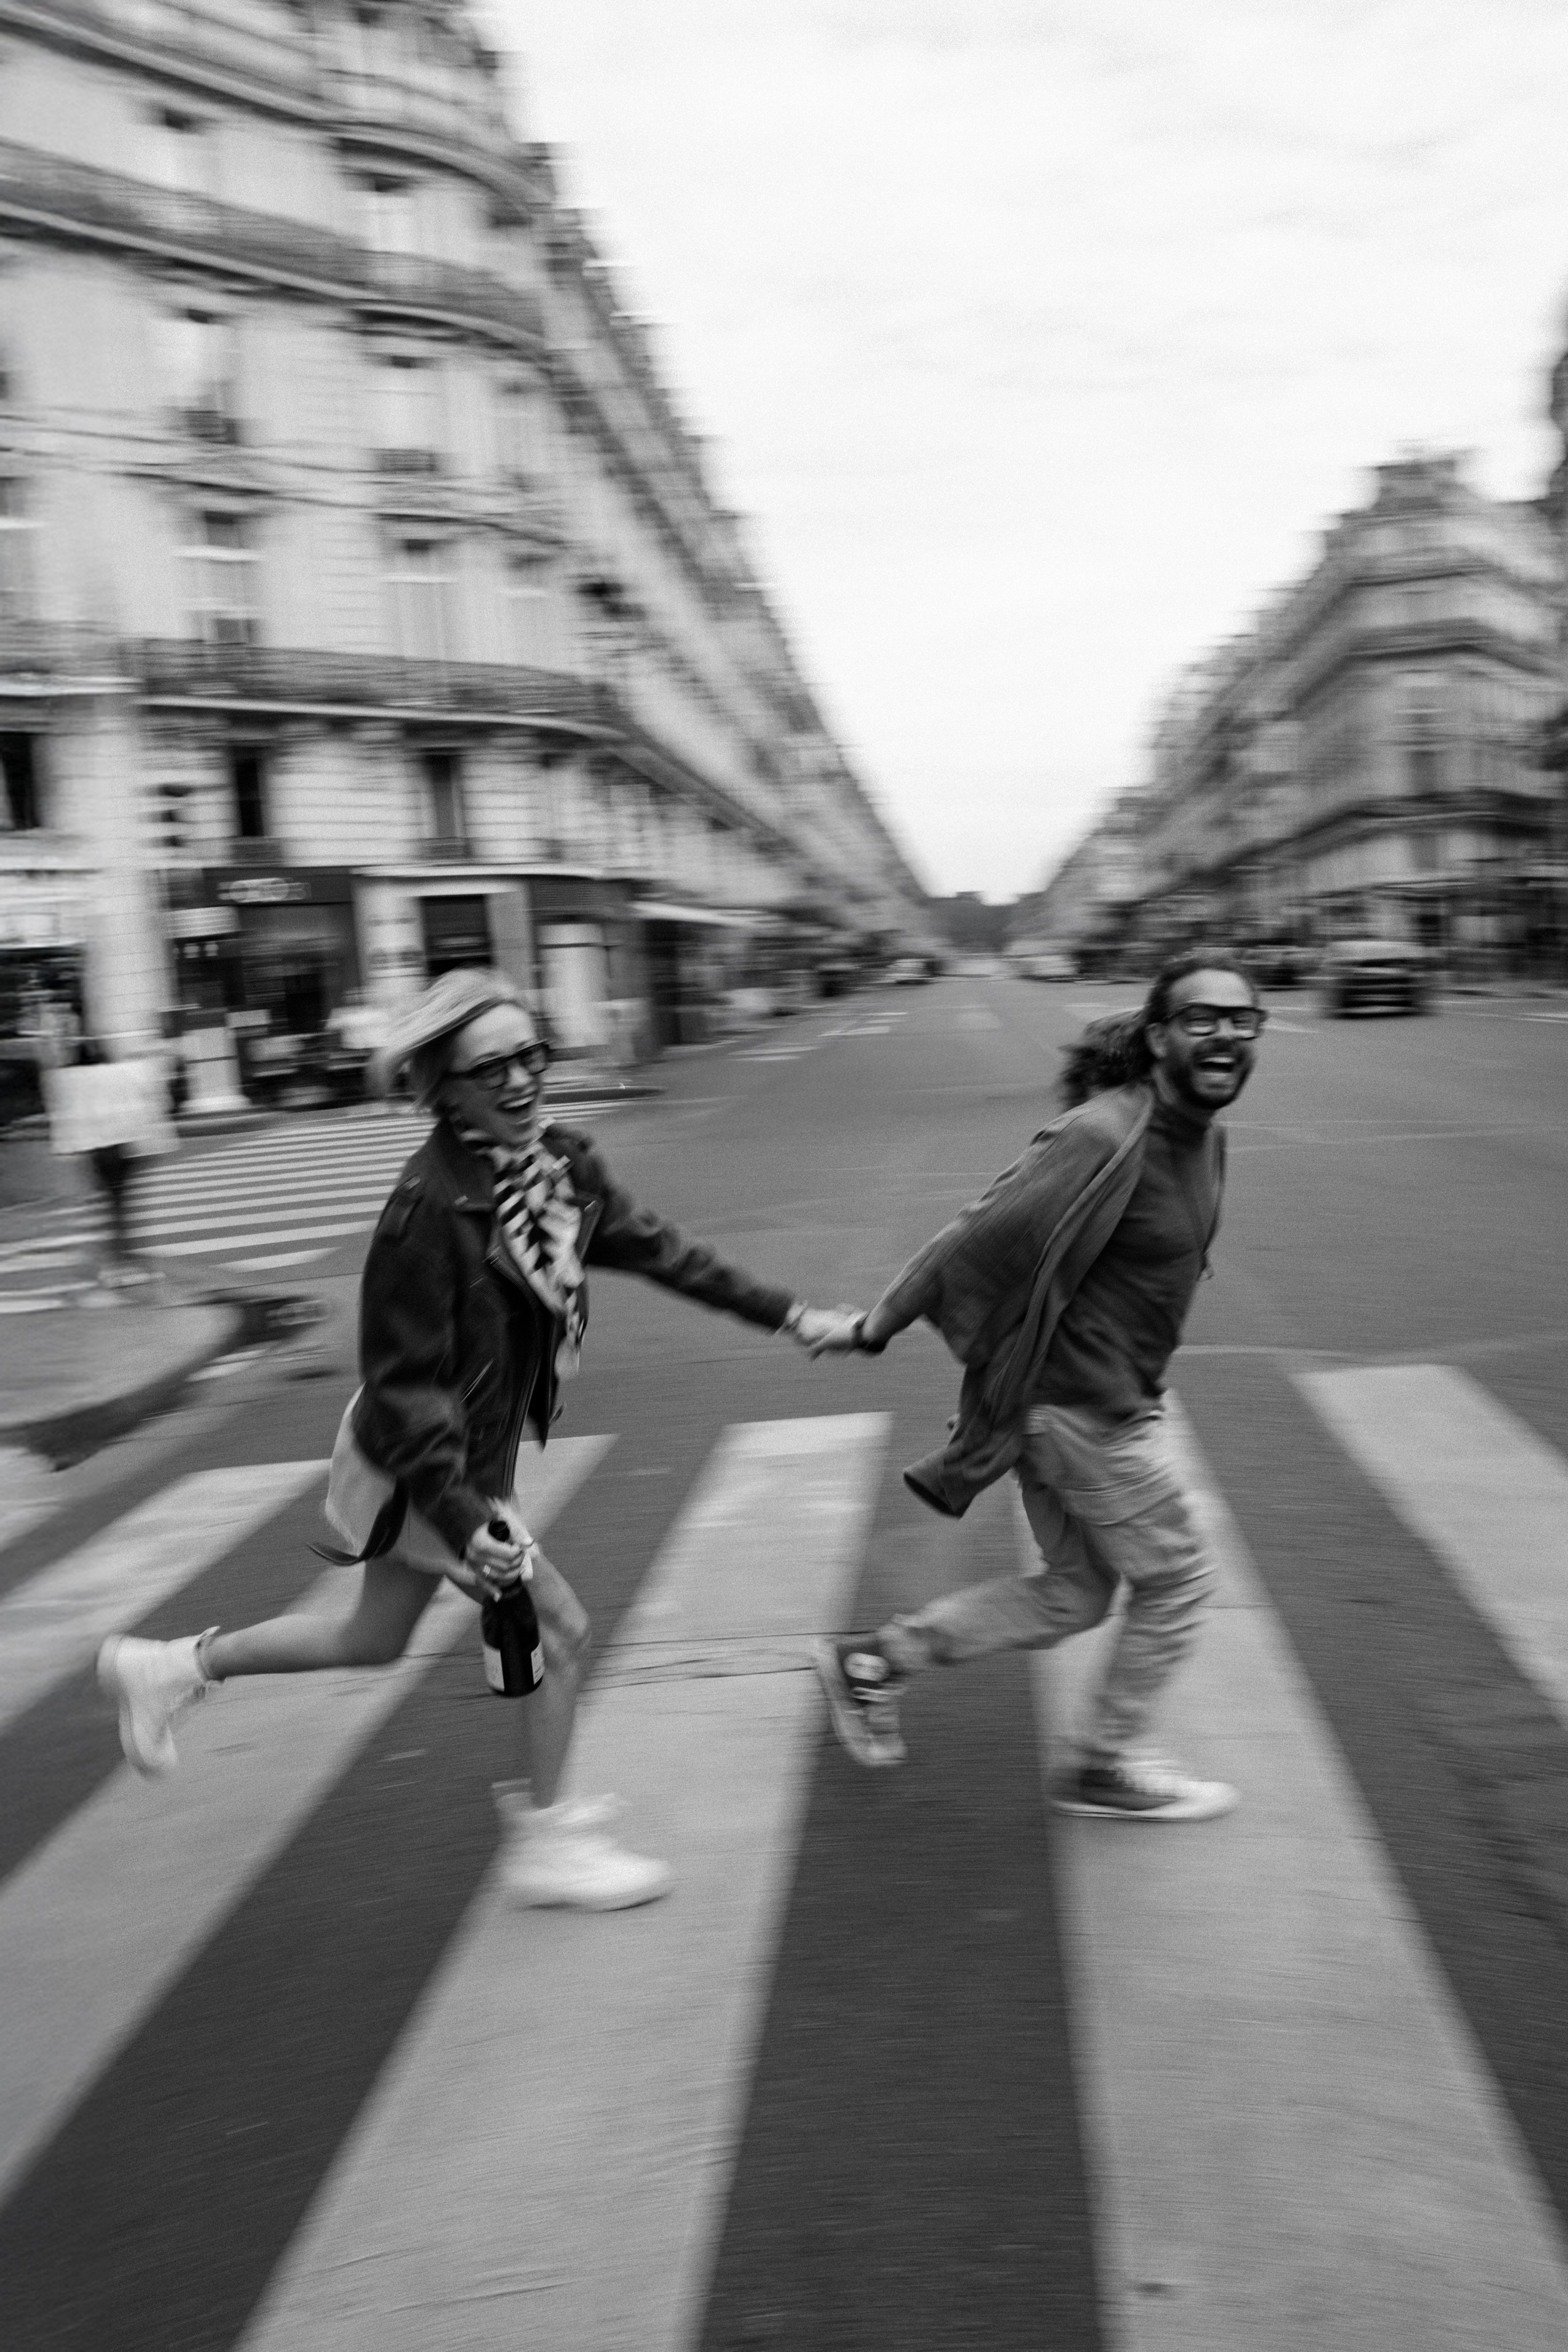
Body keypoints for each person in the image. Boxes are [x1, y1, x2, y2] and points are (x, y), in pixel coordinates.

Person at [99, 968, 852, 1909]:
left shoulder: (558, 1171)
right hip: (425, 1464)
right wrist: (467, 1517)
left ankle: (170, 1667)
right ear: (442, 1088)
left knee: (372, 1638)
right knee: (559, 1628)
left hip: (453, 1456)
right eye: (489, 1067)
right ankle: (548, 1840)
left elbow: (666, 1251)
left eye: (529, 1055)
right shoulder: (425, 1213)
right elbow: (406, 1388)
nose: (520, 1080)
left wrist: (792, 1315)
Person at [810, 952, 1265, 1823]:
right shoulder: (1103, 1135)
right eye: (1202, 1019)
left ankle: (873, 1661)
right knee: (1178, 1579)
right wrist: (874, 1326)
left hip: (1096, 1400)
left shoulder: (1206, 1140)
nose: (1226, 1035)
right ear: (1160, 1035)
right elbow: (973, 1235)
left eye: (1243, 1021)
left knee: (1078, 1593)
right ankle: (1106, 1759)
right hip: (1077, 1410)